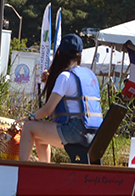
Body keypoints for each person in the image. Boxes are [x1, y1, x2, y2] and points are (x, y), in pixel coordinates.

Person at [17, 34, 103, 163]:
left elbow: (47, 110)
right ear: (80, 55)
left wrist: (29, 118)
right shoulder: (91, 75)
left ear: (58, 53)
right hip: (96, 135)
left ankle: (22, 170)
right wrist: (50, 82)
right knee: (40, 138)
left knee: (29, 127)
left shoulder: (65, 76)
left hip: (76, 131)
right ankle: (45, 172)